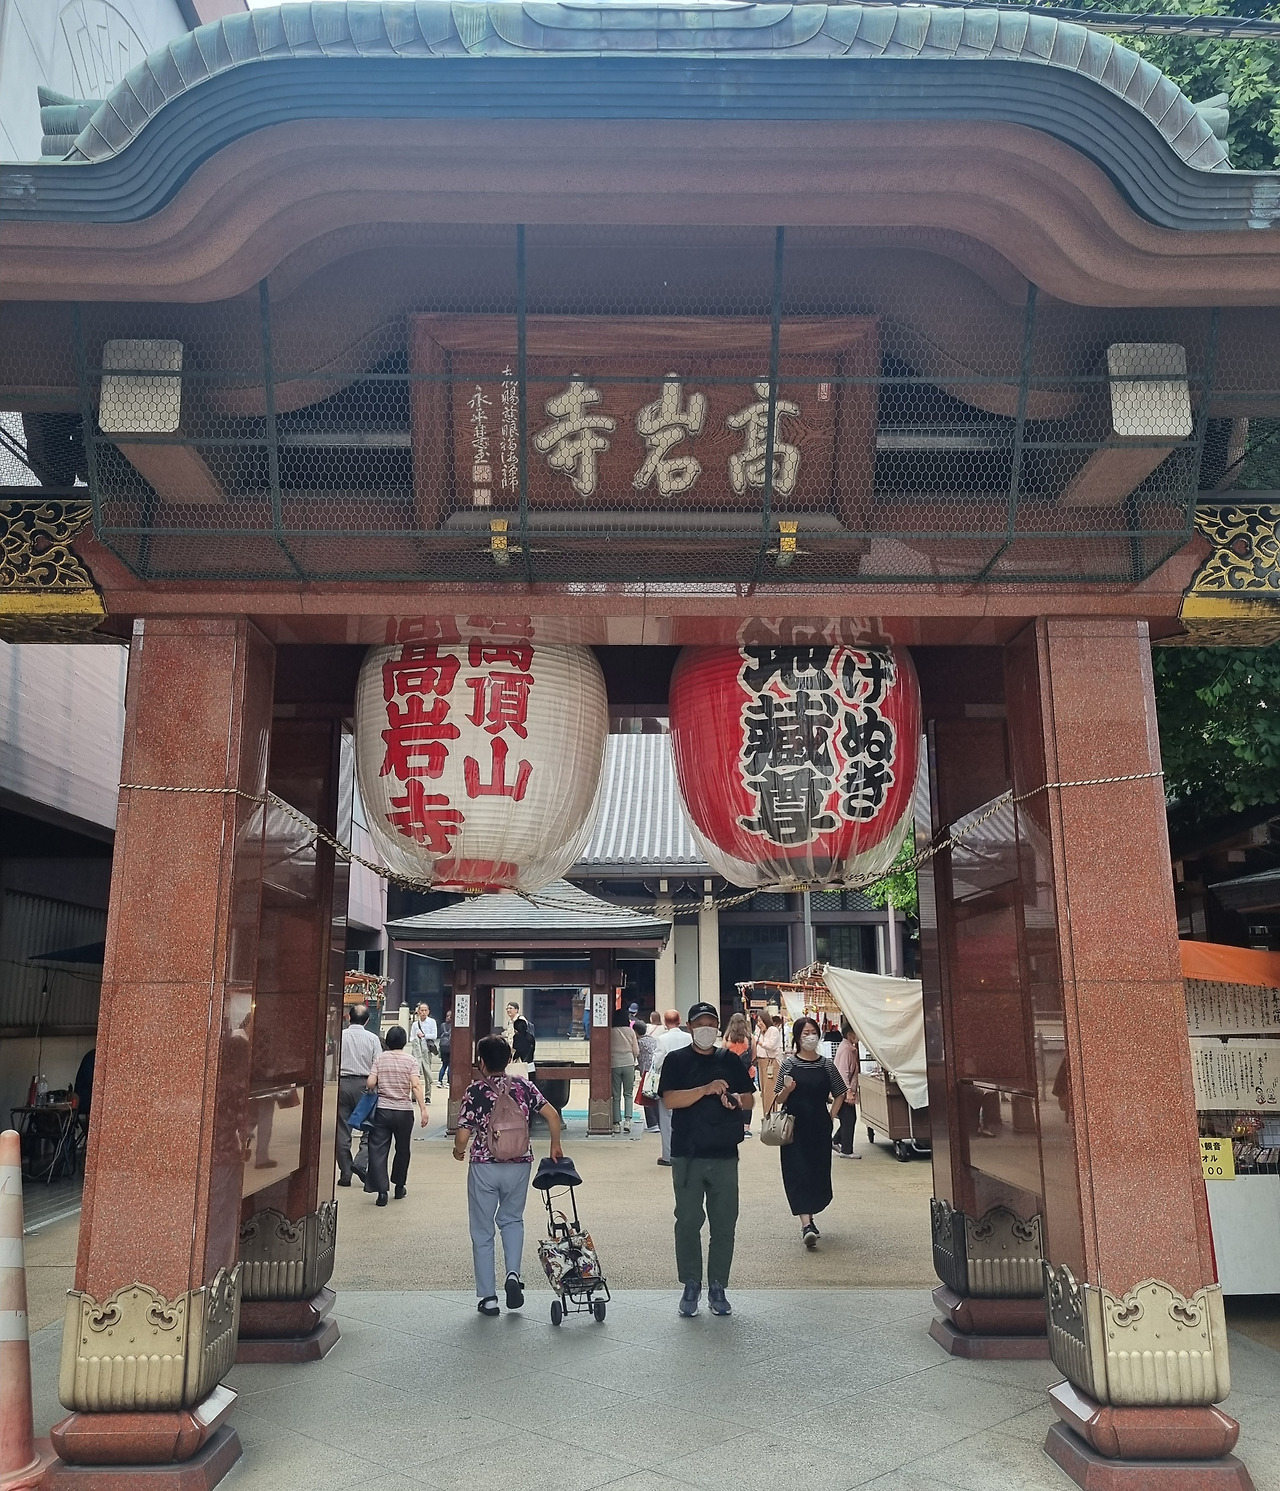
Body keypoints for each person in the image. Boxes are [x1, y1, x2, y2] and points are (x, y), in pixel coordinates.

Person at [454, 1034, 564, 1317]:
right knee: (512, 1220)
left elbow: (463, 1135)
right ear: (508, 1060)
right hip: (519, 1163)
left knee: (482, 1230)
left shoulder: (475, 1091)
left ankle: (489, 1298)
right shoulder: (524, 1086)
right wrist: (555, 1145)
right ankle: (513, 1275)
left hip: (484, 1165)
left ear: (481, 1061)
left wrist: (458, 1151)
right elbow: (552, 1115)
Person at [658, 1001, 755, 1317]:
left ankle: (717, 1286)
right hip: (687, 1154)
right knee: (687, 1220)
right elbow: (671, 1099)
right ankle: (691, 1282)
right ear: (689, 1027)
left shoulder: (729, 1059)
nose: (706, 1029)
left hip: (724, 1153)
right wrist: (706, 1089)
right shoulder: (676, 1060)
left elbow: (750, 1098)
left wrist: (735, 1099)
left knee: (724, 1222)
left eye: (711, 1024)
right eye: (700, 1024)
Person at [775, 1016, 847, 1247]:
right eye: (805, 1033)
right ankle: (806, 1224)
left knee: (817, 1171)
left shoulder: (826, 1065)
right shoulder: (789, 1064)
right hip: (794, 1127)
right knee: (796, 1172)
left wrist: (831, 1115)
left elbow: (840, 1092)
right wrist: (787, 1090)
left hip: (819, 1126)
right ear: (797, 1037)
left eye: (813, 1032)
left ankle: (811, 1216)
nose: (810, 1037)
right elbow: (778, 1098)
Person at [364, 1025, 429, 1205]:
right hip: (404, 1112)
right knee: (402, 1149)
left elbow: (370, 1083)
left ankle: (382, 1192)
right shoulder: (411, 1060)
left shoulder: (380, 1058)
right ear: (404, 1041)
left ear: (387, 1041)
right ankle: (399, 1186)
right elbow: (415, 1085)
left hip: (382, 1110)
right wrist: (423, 1109)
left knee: (378, 1149)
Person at [336, 1003, 381, 1187]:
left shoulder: (340, 1036)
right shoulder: (373, 1039)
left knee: (342, 1129)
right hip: (365, 1085)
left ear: (349, 1017)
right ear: (367, 1020)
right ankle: (361, 1162)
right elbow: (378, 1065)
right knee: (369, 1127)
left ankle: (345, 1172)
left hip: (342, 1084)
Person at [652, 1008, 691, 1167]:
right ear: (679, 1020)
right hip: (688, 1082)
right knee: (688, 1117)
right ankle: (687, 1152)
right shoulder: (689, 1038)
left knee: (666, 1120)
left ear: (665, 1022)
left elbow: (657, 1062)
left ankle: (668, 1155)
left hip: (668, 1082)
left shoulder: (662, 1039)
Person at [833, 1019, 862, 1159]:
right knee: (849, 1119)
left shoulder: (849, 1048)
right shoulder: (846, 1049)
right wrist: (848, 1091)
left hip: (842, 1089)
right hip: (843, 1091)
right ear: (850, 1034)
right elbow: (843, 1072)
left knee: (848, 1118)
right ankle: (846, 1150)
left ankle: (836, 1141)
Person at [723, 1012, 755, 1138]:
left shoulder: (727, 1037)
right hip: (747, 1072)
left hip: (730, 1072)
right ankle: (746, 1127)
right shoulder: (750, 1037)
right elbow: (753, 1055)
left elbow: (723, 1054)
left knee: (731, 1097)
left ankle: (733, 1123)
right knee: (746, 1098)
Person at [610, 1005, 640, 1134]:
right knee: (628, 1093)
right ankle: (628, 1120)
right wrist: (633, 1058)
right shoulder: (630, 1031)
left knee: (616, 1094)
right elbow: (636, 1050)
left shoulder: (610, 1031)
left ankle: (616, 1123)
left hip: (614, 1062)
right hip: (628, 1062)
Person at [755, 1012, 783, 1117]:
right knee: (763, 1092)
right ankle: (766, 1117)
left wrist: (759, 1041)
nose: (759, 1023)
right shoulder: (759, 1031)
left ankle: (771, 1117)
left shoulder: (773, 1030)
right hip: (761, 1062)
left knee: (770, 1092)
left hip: (771, 1062)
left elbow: (771, 1046)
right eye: (757, 1021)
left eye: (760, 1021)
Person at [635, 1018, 660, 1134]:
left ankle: (652, 1123)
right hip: (656, 1070)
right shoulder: (652, 1040)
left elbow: (636, 1054)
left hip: (646, 1071)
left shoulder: (639, 1043)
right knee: (655, 1097)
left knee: (646, 1097)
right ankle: (658, 1122)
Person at [409, 1002, 437, 1104]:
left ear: (428, 1011)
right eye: (422, 1010)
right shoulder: (415, 1024)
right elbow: (411, 1037)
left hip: (426, 1050)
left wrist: (424, 1035)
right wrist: (416, 1038)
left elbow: (434, 1035)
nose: (423, 1012)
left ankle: (428, 1096)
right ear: (418, 1012)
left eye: (425, 1010)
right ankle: (414, 1095)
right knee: (415, 1073)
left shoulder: (432, 1022)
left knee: (427, 1072)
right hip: (417, 1051)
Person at [438, 1011, 453, 1088]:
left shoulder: (442, 1025)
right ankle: (448, 1082)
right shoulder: (453, 1026)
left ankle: (439, 1081)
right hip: (450, 1046)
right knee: (450, 1065)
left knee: (444, 1065)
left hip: (442, 1046)